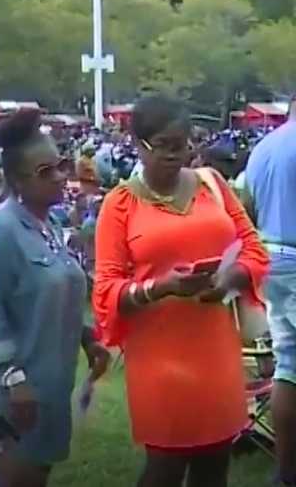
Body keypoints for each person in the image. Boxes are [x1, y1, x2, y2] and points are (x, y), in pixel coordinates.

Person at [92, 95, 269, 487]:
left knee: (215, 461)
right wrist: (161, 288)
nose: (177, 154)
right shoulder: (119, 205)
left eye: (184, 143)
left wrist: (230, 278)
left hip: (215, 345)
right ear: (138, 144)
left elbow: (254, 249)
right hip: (160, 355)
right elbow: (106, 289)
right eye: (165, 145)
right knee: (165, 466)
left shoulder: (213, 185)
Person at [0, 109, 110, 487]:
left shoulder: (49, 225)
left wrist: (86, 338)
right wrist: (14, 379)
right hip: (16, 395)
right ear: (16, 180)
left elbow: (47, 298)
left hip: (52, 386)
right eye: (46, 171)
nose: (62, 177)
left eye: (62, 164)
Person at [246, 100, 296, 486]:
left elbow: (245, 207)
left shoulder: (263, 147)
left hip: (269, 258)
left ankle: (285, 469)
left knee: (288, 366)